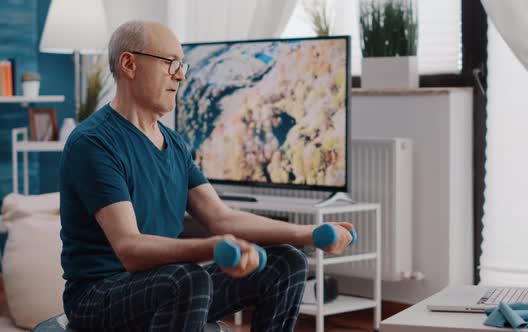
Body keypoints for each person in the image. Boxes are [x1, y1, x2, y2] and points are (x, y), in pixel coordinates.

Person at [59, 20, 354, 332]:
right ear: (129, 64)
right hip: (97, 297)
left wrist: (307, 232)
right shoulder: (94, 143)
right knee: (188, 277)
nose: (180, 75)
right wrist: (212, 248)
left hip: (163, 283)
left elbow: (221, 218)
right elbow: (130, 249)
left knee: (287, 262)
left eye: (182, 65)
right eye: (170, 63)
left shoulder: (174, 144)